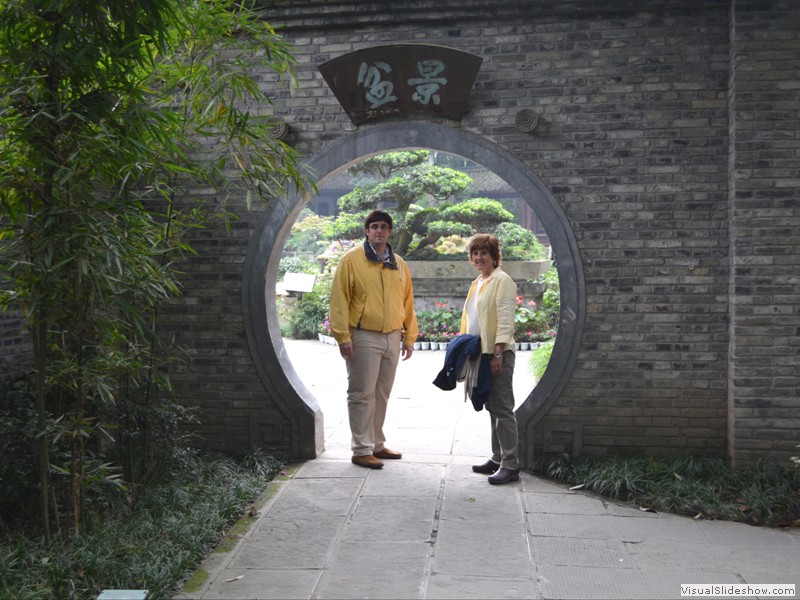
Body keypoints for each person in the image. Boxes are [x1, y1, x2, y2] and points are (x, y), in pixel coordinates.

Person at [329, 209, 418, 469]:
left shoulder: (399, 263)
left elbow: (408, 302)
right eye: (374, 226)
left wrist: (409, 337)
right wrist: (343, 336)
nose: (379, 231)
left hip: (392, 337)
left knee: (382, 394)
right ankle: (361, 449)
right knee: (361, 394)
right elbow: (339, 300)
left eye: (384, 227)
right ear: (367, 231)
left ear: (390, 232)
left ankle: (377, 444)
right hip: (363, 336)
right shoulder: (352, 260)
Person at [459, 233, 520, 484]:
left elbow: (505, 320)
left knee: (503, 408)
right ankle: (497, 458)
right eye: (475, 253)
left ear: (494, 257)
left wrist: (497, 353)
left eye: (484, 253)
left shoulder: (502, 280)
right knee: (491, 407)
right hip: (481, 354)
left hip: (498, 354)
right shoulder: (479, 281)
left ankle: (511, 464)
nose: (478, 257)